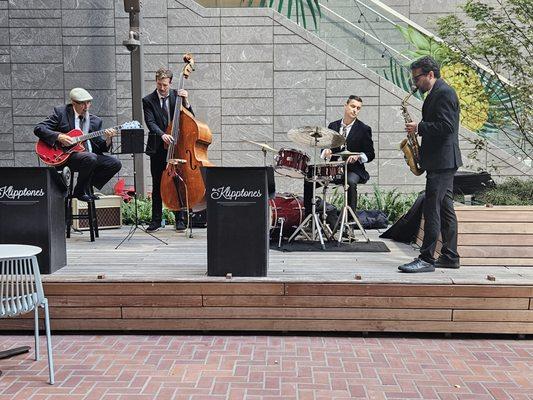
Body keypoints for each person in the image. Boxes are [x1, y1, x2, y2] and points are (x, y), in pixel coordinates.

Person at [398, 56, 462, 273]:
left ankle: (426, 258)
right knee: (445, 209)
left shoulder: (444, 93)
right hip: (442, 160)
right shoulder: (437, 92)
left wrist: (419, 127)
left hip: (442, 161)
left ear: (430, 75)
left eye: (417, 78)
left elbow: (447, 126)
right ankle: (450, 256)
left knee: (432, 207)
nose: (415, 83)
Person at [34, 88, 122, 202]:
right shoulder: (61, 113)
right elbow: (39, 128)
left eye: (88, 102)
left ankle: (85, 186)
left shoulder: (95, 121)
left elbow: (100, 147)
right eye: (82, 103)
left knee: (115, 163)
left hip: (88, 158)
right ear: (73, 102)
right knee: (90, 157)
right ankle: (80, 192)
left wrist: (109, 138)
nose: (86, 106)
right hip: (64, 157)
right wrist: (59, 136)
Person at [303, 95, 375, 217]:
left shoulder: (364, 129)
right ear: (345, 106)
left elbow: (370, 154)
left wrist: (358, 157)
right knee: (309, 179)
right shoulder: (333, 126)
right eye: (353, 106)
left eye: (358, 108)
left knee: (351, 182)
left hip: (354, 170)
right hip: (333, 169)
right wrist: (325, 152)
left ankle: (350, 224)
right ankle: (309, 217)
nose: (355, 110)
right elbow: (325, 146)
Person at [143, 67, 193, 232]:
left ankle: (180, 219)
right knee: (157, 183)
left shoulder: (177, 96)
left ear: (170, 83)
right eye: (159, 84)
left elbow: (190, 117)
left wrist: (186, 102)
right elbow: (150, 122)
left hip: (177, 146)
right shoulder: (148, 100)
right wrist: (162, 134)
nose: (162, 88)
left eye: (165, 85)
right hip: (158, 146)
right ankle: (156, 220)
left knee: (178, 180)